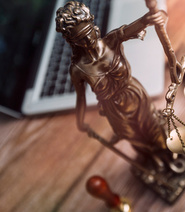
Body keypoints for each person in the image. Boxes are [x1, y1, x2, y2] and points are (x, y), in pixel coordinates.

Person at [55, 1, 175, 169]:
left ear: (94, 27)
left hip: (135, 94)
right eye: (80, 38)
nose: (88, 40)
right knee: (134, 137)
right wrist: (80, 121)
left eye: (89, 32)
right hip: (114, 110)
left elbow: (137, 25)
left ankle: (167, 151)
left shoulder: (111, 41)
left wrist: (152, 16)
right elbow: (80, 98)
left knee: (153, 126)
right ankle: (153, 156)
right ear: (72, 42)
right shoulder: (78, 69)